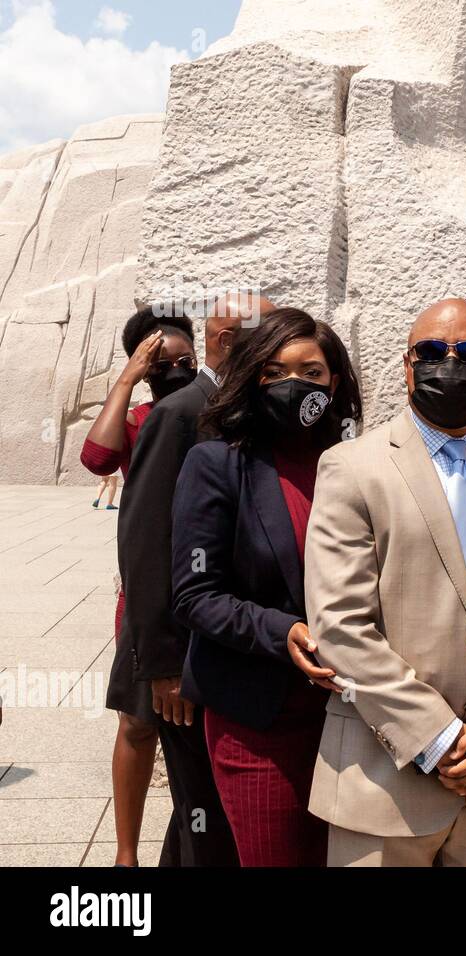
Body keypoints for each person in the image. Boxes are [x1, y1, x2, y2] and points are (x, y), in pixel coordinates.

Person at [302, 298, 466, 867]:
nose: (450, 365)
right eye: (431, 352)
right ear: (406, 364)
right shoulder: (351, 467)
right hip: (381, 783)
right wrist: (436, 735)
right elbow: (340, 624)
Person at [171, 308, 362, 866]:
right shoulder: (216, 464)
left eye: (312, 372)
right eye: (274, 372)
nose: (293, 384)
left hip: (355, 719)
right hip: (261, 721)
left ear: (335, 384)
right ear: (251, 377)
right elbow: (194, 595)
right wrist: (285, 632)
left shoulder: (355, 466)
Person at [117, 290, 276, 866]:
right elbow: (145, 541)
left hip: (234, 644)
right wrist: (161, 663)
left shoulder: (244, 406)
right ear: (227, 339)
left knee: (202, 808)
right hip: (183, 659)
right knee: (201, 805)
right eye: (266, 335)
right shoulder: (182, 411)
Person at [86, 305, 196, 867]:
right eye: (162, 362)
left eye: (185, 357)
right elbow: (98, 456)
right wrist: (129, 379)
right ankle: (125, 854)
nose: (175, 368)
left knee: (197, 737)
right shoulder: (143, 419)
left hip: (207, 588)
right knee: (138, 722)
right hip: (148, 593)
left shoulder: (207, 409)